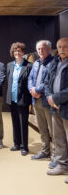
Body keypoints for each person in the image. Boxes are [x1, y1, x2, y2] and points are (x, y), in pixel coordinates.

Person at [44, 37, 68, 184]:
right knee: (58, 138)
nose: (62, 49)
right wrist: (49, 97)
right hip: (55, 107)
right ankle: (62, 165)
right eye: (59, 47)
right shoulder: (54, 62)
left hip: (65, 106)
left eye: (65, 46)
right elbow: (47, 81)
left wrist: (56, 98)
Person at [28, 40, 55, 164]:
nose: (40, 51)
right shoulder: (36, 63)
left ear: (49, 49)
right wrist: (31, 89)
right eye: (38, 49)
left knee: (52, 129)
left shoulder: (53, 62)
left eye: (43, 49)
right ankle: (45, 151)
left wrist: (38, 90)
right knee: (42, 128)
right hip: (36, 100)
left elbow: (50, 80)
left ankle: (55, 155)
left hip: (47, 101)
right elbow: (30, 78)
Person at [6, 42, 32, 156]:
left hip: (23, 99)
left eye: (19, 50)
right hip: (12, 98)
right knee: (15, 122)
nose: (17, 52)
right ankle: (16, 144)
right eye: (15, 51)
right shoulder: (9, 65)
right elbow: (9, 80)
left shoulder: (29, 65)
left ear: (23, 52)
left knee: (23, 123)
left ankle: (24, 146)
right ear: (13, 52)